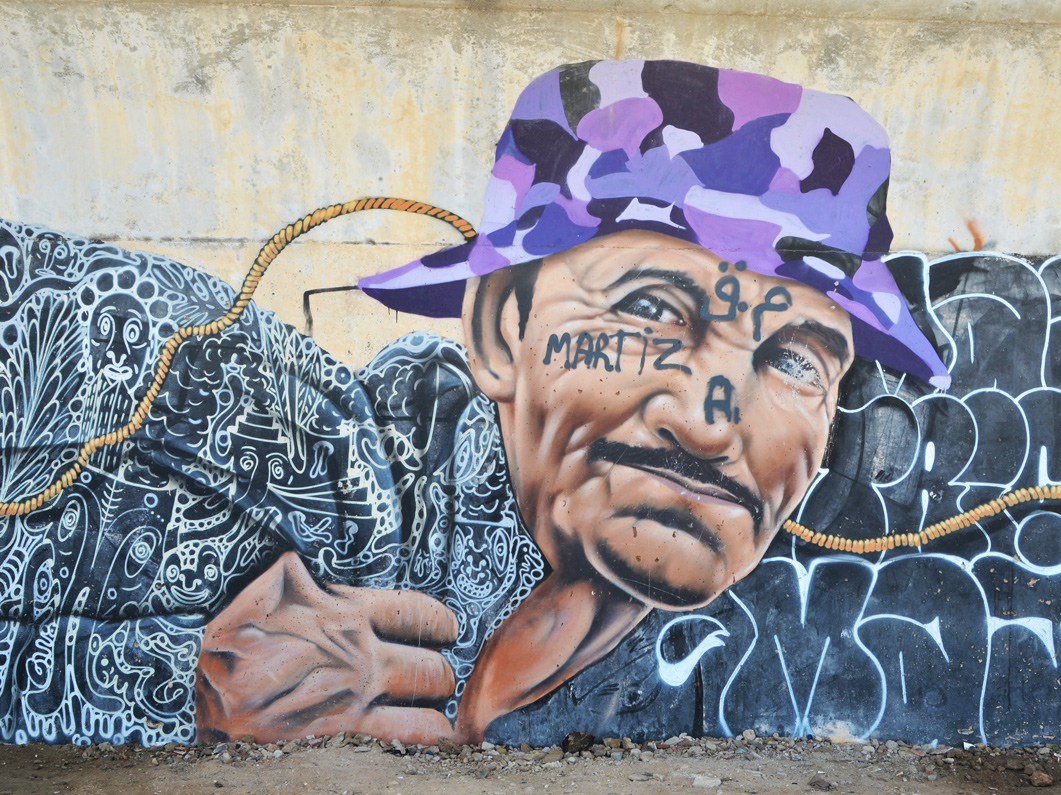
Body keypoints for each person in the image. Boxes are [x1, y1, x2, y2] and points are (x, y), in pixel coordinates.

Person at [0, 59, 947, 746]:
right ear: (500, 330)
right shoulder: (269, 433)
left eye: (798, 361)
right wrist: (164, 685)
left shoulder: (779, 652)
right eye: (652, 310)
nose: (710, 422)